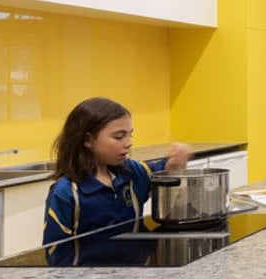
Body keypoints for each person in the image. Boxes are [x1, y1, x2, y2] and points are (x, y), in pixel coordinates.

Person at [42, 97, 191, 266]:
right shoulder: (66, 192)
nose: (128, 143)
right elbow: (56, 254)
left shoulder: (132, 172)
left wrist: (174, 163)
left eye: (129, 135)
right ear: (88, 139)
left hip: (135, 277)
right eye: (118, 137)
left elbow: (161, 171)